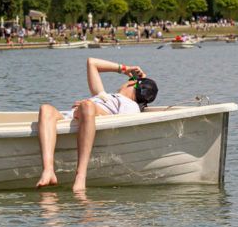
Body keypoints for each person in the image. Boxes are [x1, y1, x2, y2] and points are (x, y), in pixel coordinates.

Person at [35, 57, 158, 192]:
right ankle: (48, 170)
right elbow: (92, 62)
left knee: (87, 106)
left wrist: (89, 107)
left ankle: (80, 176)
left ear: (132, 84)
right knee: (46, 109)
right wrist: (124, 69)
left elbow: (120, 123)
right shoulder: (104, 95)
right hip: (73, 116)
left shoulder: (131, 105)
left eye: (129, 80)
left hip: (87, 114)